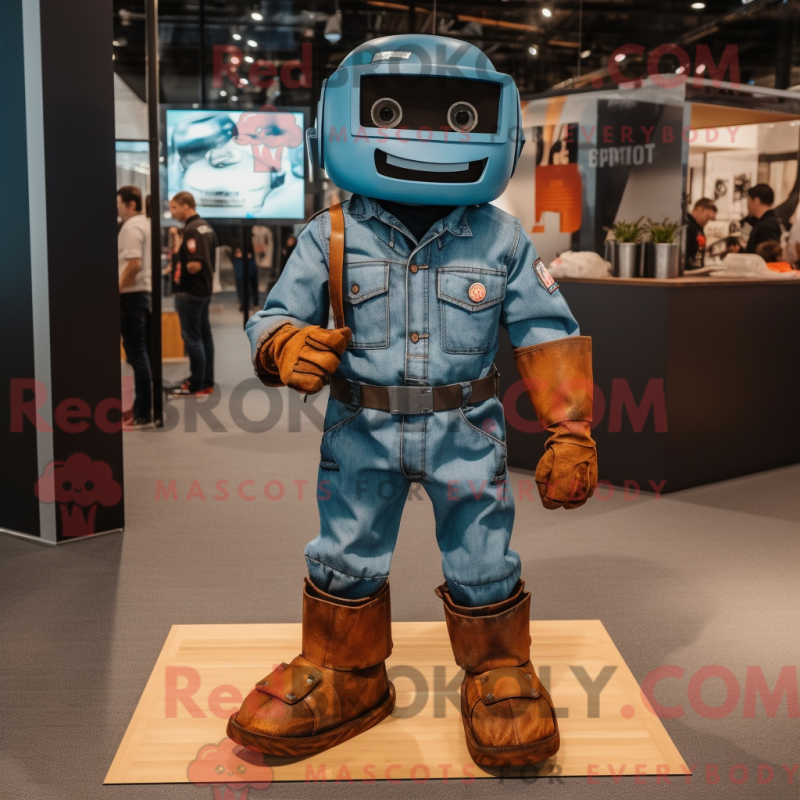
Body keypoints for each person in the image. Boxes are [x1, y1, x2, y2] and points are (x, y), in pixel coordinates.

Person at [227, 34, 597, 768]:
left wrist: (571, 429)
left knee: (483, 552)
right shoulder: (331, 234)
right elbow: (274, 315)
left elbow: (548, 330)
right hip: (360, 428)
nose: (427, 140)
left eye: (459, 118)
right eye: (393, 115)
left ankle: (498, 669)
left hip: (467, 430)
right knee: (346, 549)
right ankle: (346, 671)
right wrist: (281, 344)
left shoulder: (501, 239)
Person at [167, 192, 218, 397]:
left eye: (174, 208)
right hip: (203, 291)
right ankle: (205, 381)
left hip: (190, 292)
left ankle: (197, 383)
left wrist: (182, 273)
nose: (173, 213)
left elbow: (195, 264)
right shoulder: (205, 227)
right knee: (204, 336)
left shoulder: (191, 229)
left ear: (185, 206)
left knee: (193, 338)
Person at [117, 185, 152, 426]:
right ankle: (140, 408)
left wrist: (116, 289)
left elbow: (134, 265)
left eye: (119, 204)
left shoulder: (131, 227)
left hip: (131, 296)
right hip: (140, 296)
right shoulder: (145, 224)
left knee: (137, 354)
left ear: (130, 204)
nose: (117, 209)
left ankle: (142, 412)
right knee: (140, 353)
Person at [744, 184, 782, 254]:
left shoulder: (767, 226)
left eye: (749, 200)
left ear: (756, 201)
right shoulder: (768, 222)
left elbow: (772, 255)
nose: (747, 205)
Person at [685, 198, 717, 271]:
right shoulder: (687, 227)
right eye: (707, 218)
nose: (707, 223)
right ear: (701, 209)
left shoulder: (698, 228)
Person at [232, 246, 258, 311]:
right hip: (241, 263)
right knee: (242, 284)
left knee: (250, 284)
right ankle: (245, 303)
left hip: (248, 263)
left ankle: (252, 303)